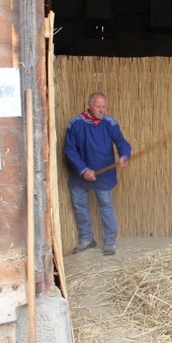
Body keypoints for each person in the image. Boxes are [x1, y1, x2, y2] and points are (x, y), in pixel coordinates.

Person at [65, 92, 132, 256]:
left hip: (104, 173)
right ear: (89, 106)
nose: (102, 110)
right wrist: (83, 170)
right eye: (98, 107)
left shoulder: (110, 123)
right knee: (80, 207)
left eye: (104, 107)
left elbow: (122, 142)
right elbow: (70, 150)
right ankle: (87, 239)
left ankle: (109, 241)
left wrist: (124, 155)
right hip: (79, 174)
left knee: (106, 206)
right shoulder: (75, 124)